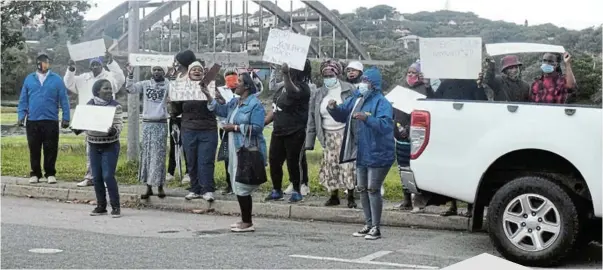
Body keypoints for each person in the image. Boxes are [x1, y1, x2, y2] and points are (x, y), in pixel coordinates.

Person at [327, 67, 395, 240]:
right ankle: (368, 223)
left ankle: (376, 227)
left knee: (373, 189)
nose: (363, 84)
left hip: (379, 152)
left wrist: (368, 119)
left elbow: (386, 125)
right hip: (361, 152)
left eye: (366, 81)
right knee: (362, 188)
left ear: (374, 85)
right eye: (362, 80)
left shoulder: (382, 102)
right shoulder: (356, 98)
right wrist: (333, 108)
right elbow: (343, 114)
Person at [206, 72, 267, 232]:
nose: (235, 84)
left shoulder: (255, 105)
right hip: (234, 147)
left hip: (247, 148)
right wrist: (208, 95)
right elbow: (220, 110)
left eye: (239, 81)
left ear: (247, 86)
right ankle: (245, 219)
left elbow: (258, 128)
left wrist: (235, 128)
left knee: (241, 184)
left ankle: (247, 222)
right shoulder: (234, 102)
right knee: (236, 180)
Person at [64, 51, 125, 187]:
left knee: (106, 148)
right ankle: (90, 176)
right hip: (88, 116)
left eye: (97, 63)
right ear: (89, 66)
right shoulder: (84, 78)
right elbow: (69, 83)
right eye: (93, 64)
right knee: (90, 149)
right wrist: (71, 69)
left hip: (105, 116)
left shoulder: (109, 76)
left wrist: (111, 63)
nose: (95, 66)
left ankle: (105, 178)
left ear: (102, 64)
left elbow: (120, 79)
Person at [306, 59, 357, 208]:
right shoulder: (318, 93)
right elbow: (312, 117)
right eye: (325, 75)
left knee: (348, 165)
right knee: (331, 165)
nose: (328, 78)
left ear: (337, 74)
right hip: (327, 135)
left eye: (331, 74)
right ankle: (333, 195)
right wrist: (309, 141)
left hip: (345, 133)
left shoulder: (349, 89)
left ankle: (351, 196)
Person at [72, 79, 123, 217]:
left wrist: (113, 130)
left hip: (110, 145)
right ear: (97, 91)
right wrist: (77, 127)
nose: (109, 91)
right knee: (97, 177)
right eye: (105, 88)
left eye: (110, 88)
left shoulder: (115, 106)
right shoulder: (90, 105)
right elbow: (84, 122)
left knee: (108, 175)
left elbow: (119, 125)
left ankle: (116, 206)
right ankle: (101, 206)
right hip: (94, 144)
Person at [17, 53, 71, 184]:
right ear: (38, 63)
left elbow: (64, 99)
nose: (45, 64)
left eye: (47, 62)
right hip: (33, 120)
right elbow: (23, 99)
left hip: (50, 119)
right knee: (34, 148)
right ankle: (35, 173)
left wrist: (66, 117)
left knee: (51, 147)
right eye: (43, 62)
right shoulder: (30, 79)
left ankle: (50, 173)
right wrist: (21, 115)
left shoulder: (56, 79)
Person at [264, 60, 312, 203]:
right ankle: (276, 190)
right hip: (278, 130)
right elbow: (276, 109)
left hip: (295, 131)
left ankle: (297, 190)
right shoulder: (281, 89)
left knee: (293, 162)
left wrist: (285, 74)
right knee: (274, 160)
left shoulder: (303, 87)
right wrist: (264, 122)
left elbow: (292, 92)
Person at [171, 60, 218, 202]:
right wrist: (172, 101)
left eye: (199, 70)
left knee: (206, 160)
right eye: (193, 70)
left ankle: (207, 189)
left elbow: (217, 107)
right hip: (189, 130)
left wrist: (213, 95)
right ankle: (194, 189)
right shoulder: (182, 89)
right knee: (191, 160)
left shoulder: (210, 88)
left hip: (208, 130)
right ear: (189, 74)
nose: (196, 72)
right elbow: (175, 112)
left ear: (204, 73)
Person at [394, 60, 435, 210]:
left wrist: (408, 128)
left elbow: (430, 107)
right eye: (409, 73)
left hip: (417, 136)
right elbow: (395, 110)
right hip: (400, 136)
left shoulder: (424, 89)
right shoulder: (401, 89)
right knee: (403, 168)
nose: (411, 75)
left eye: (414, 73)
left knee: (416, 169)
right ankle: (406, 199)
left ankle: (420, 200)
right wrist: (397, 127)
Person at [125, 64, 170, 199]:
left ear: (164, 72)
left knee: (159, 156)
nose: (157, 72)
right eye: (155, 69)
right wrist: (130, 75)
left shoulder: (168, 85)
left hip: (160, 123)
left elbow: (177, 93)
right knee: (147, 155)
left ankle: (160, 185)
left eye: (160, 69)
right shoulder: (145, 84)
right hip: (147, 124)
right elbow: (130, 89)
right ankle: (148, 186)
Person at [167, 50, 195, 184]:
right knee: (173, 142)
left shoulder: (191, 76)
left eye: (179, 61)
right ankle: (171, 170)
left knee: (187, 145)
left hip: (186, 115)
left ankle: (188, 172)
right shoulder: (177, 76)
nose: (176, 64)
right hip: (175, 114)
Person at [216, 68, 239, 194]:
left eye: (233, 75)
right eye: (229, 75)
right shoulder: (220, 90)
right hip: (225, 128)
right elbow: (220, 108)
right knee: (227, 157)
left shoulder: (241, 89)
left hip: (239, 128)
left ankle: (239, 183)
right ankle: (229, 183)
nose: (231, 77)